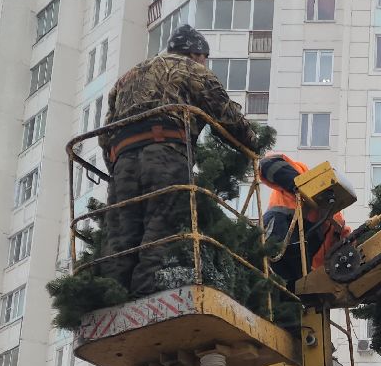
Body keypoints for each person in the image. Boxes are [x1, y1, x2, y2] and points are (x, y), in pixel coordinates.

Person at [100, 25, 261, 299]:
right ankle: (146, 299)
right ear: (198, 54)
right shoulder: (192, 69)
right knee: (162, 225)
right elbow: (225, 113)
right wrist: (253, 143)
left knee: (122, 234)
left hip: (122, 159)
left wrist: (116, 166)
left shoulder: (126, 78)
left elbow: (106, 133)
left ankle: (113, 298)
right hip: (165, 153)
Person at [257, 152, 352, 295]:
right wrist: (301, 187)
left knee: (292, 293)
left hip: (300, 260)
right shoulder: (302, 173)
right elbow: (267, 163)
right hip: (278, 231)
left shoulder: (335, 219)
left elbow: (348, 241)